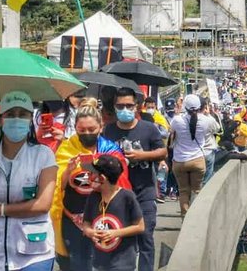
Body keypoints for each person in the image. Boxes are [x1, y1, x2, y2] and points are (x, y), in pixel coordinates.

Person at [0, 91, 57, 271]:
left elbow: (43, 204)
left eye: (22, 115)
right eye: (10, 114)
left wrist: (1, 210)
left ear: (31, 119)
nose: (16, 119)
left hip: (33, 254)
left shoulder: (43, 155)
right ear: (1, 119)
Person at [52, 99, 130, 271]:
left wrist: (101, 172)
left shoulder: (111, 151)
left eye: (91, 129)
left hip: (103, 220)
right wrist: (68, 171)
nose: (86, 133)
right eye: (82, 130)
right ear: (75, 128)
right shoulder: (67, 148)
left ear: (101, 127)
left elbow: (121, 187)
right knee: (75, 265)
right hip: (72, 220)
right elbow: (58, 186)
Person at [103, 87, 167, 271]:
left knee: (146, 237)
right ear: (114, 107)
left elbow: (162, 151)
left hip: (144, 192)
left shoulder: (148, 129)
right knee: (119, 238)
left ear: (136, 106)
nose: (124, 109)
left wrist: (143, 156)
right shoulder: (108, 131)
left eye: (129, 105)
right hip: (118, 195)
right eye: (120, 106)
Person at [82, 154, 144, 271]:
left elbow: (140, 227)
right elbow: (86, 224)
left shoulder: (127, 196)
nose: (88, 176)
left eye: (92, 173)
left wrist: (116, 233)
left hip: (123, 264)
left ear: (102, 178)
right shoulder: (93, 197)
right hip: (99, 262)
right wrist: (90, 232)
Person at [169, 94, 220, 217]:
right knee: (196, 190)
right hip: (198, 160)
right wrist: (208, 113)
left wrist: (178, 111)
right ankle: (196, 217)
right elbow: (217, 128)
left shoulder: (177, 120)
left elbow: (171, 131)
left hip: (179, 161)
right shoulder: (206, 120)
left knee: (183, 191)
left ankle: (185, 218)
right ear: (200, 107)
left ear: (184, 107)